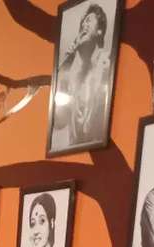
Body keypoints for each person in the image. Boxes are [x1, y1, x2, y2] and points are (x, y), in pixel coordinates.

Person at [52, 3, 111, 150]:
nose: (84, 24)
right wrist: (70, 55)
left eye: (89, 20)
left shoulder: (106, 63)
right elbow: (58, 122)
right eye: (83, 22)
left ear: (99, 31)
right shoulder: (73, 75)